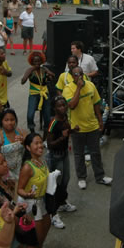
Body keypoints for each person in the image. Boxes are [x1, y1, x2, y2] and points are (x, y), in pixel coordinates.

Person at [62, 66, 111, 189]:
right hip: (77, 128)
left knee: (95, 152)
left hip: (92, 126)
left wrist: (100, 120)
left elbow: (96, 104)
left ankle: (100, 176)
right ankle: (81, 177)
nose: (79, 76)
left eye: (81, 74)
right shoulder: (68, 89)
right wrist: (78, 88)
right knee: (79, 154)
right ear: (72, 77)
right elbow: (72, 105)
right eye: (76, 74)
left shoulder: (90, 85)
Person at [46, 96, 76, 229]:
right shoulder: (53, 122)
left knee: (66, 180)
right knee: (55, 185)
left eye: (64, 105)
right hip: (55, 156)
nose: (62, 108)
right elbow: (50, 143)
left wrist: (73, 131)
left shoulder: (65, 118)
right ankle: (53, 213)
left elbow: (66, 133)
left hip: (64, 155)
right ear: (54, 108)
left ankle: (62, 203)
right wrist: (62, 137)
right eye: (59, 106)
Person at [17, 133, 50, 248]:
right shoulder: (27, 167)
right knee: (37, 240)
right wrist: (27, 195)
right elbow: (19, 189)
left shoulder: (42, 161)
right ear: (28, 147)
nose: (40, 145)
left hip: (41, 201)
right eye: (36, 143)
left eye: (41, 142)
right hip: (31, 205)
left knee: (47, 224)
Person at [21, 52, 55, 133]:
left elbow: (52, 76)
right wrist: (31, 70)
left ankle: (46, 132)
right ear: (32, 62)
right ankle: (32, 130)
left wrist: (50, 75)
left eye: (38, 61)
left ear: (41, 61)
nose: (37, 63)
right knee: (30, 115)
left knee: (47, 116)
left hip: (44, 94)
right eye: (35, 62)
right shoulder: (30, 70)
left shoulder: (44, 69)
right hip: (34, 94)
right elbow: (22, 81)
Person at [0, 108, 25, 182]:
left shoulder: (21, 132)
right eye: (6, 120)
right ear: (1, 121)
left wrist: (24, 142)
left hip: (22, 169)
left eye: (12, 120)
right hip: (7, 174)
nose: (10, 123)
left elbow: (30, 148)